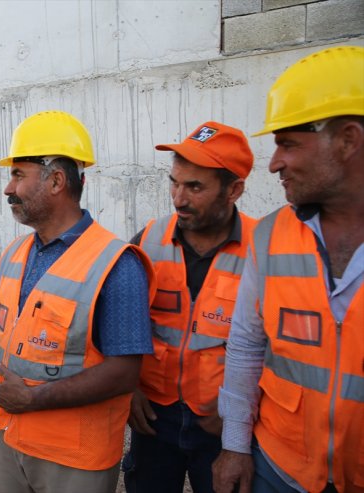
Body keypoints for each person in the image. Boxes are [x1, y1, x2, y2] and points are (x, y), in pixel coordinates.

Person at [0, 110, 155, 493]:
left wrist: (33, 398)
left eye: (18, 175)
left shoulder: (116, 264)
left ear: (56, 180)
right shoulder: (19, 251)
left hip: (73, 458)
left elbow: (124, 371)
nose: (8, 188)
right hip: (11, 437)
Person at [212, 45, 364, 493]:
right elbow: (245, 345)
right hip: (279, 470)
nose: (275, 162)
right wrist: (236, 446)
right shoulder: (271, 236)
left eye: (288, 144)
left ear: (348, 140)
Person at [122, 121, 257, 493]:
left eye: (194, 187)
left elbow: (280, 346)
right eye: (174, 182)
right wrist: (128, 388)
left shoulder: (265, 250)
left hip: (222, 429)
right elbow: (118, 322)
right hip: (153, 419)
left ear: (234, 190)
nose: (178, 198)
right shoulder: (148, 240)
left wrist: (240, 417)